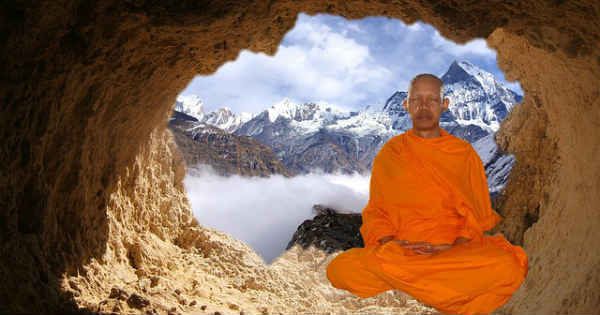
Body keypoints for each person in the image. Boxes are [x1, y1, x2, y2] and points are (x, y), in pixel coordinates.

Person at [325, 74, 528, 315]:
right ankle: (445, 292)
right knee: (339, 269)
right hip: (400, 251)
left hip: (452, 253)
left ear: (445, 105)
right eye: (416, 100)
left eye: (432, 100)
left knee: (508, 266)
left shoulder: (462, 154)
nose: (423, 107)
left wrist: (453, 246)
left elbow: (476, 218)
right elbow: (376, 212)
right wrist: (391, 242)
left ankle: (414, 285)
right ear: (406, 105)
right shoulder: (391, 153)